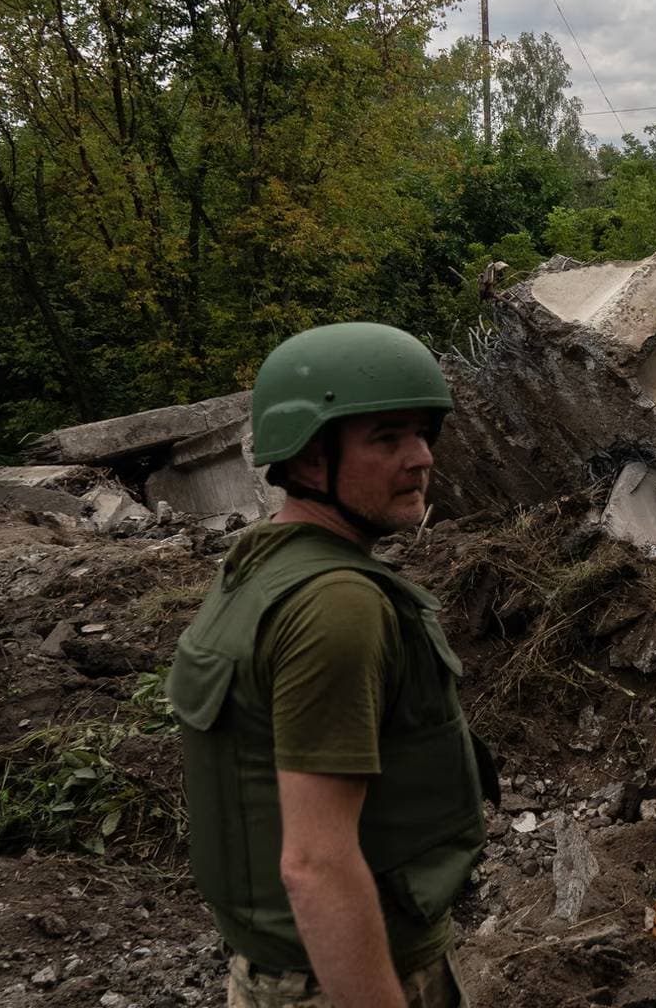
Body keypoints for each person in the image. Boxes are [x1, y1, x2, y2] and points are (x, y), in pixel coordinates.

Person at [168, 323, 493, 1008]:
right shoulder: (337, 604)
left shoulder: (261, 565)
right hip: (345, 979)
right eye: (387, 438)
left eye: (422, 434)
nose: (421, 458)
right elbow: (316, 864)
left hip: (288, 969)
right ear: (312, 458)